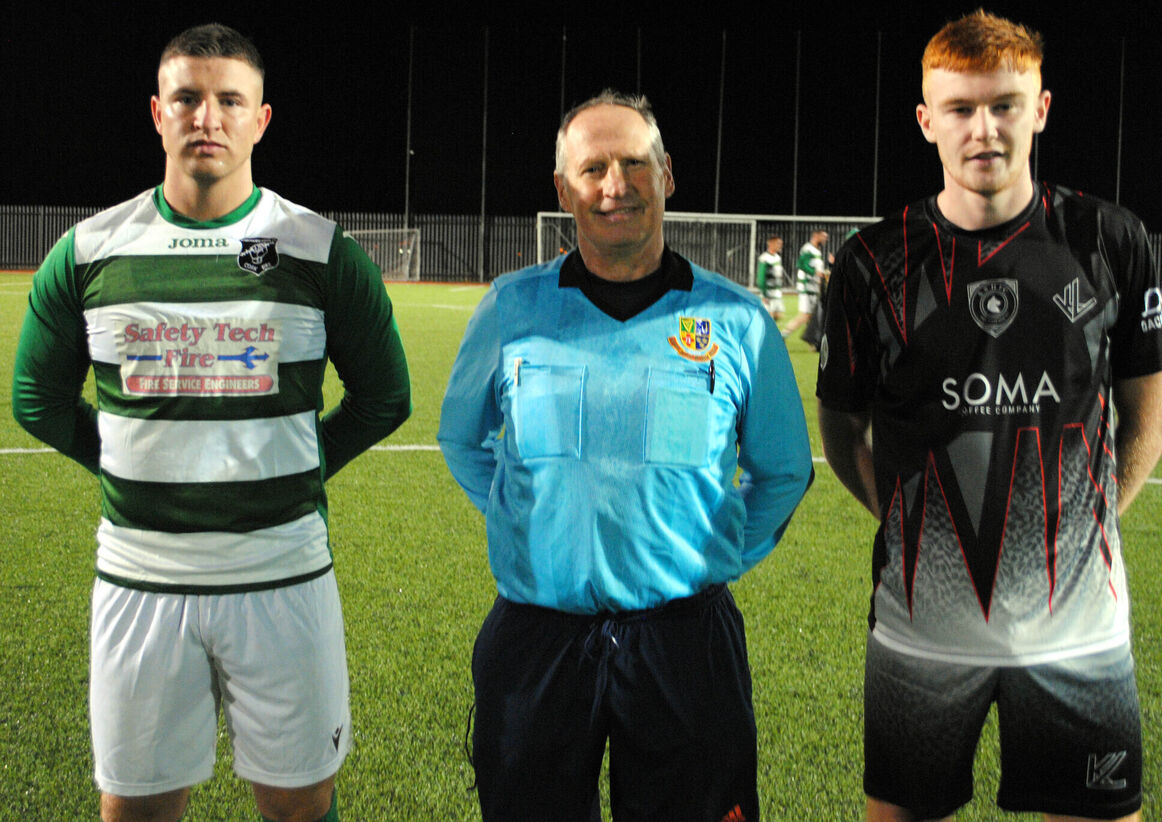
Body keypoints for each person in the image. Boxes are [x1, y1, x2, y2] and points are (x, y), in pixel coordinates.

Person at [11, 23, 412, 822]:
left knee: (298, 803)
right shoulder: (89, 250)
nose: (208, 118)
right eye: (189, 98)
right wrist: (135, 469)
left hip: (283, 573)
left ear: (261, 119)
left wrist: (293, 467)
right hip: (140, 577)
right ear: (157, 112)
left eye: (230, 100)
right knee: (136, 808)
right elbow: (36, 400)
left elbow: (385, 398)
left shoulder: (313, 249)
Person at [817, 11, 1162, 822]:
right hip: (921, 636)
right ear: (926, 120)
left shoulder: (1108, 238)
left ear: (1040, 108)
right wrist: (904, 517)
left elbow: (1148, 397)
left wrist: (1099, 517)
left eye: (1005, 104)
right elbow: (841, 430)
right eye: (961, 108)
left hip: (1079, 634)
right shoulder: (872, 261)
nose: (985, 129)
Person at [438, 89, 813, 822]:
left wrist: (718, 552)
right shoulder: (511, 307)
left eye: (634, 164)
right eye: (593, 168)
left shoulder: (735, 318)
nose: (615, 186)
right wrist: (526, 517)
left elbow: (783, 469)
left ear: (667, 174)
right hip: (535, 636)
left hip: (686, 640)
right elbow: (460, 438)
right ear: (563, 190)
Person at [781, 229, 832, 343]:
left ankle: (814, 342)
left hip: (813, 287)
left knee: (813, 316)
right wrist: (815, 272)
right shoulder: (808, 249)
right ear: (815, 236)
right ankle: (783, 334)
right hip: (806, 287)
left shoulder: (816, 251)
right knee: (805, 315)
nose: (825, 239)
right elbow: (800, 264)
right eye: (823, 236)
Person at [756, 234, 786, 320]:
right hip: (768, 292)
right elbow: (761, 278)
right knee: (769, 317)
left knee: (778, 316)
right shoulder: (764, 258)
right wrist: (764, 294)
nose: (780, 246)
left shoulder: (777, 258)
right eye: (778, 244)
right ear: (771, 244)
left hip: (777, 291)